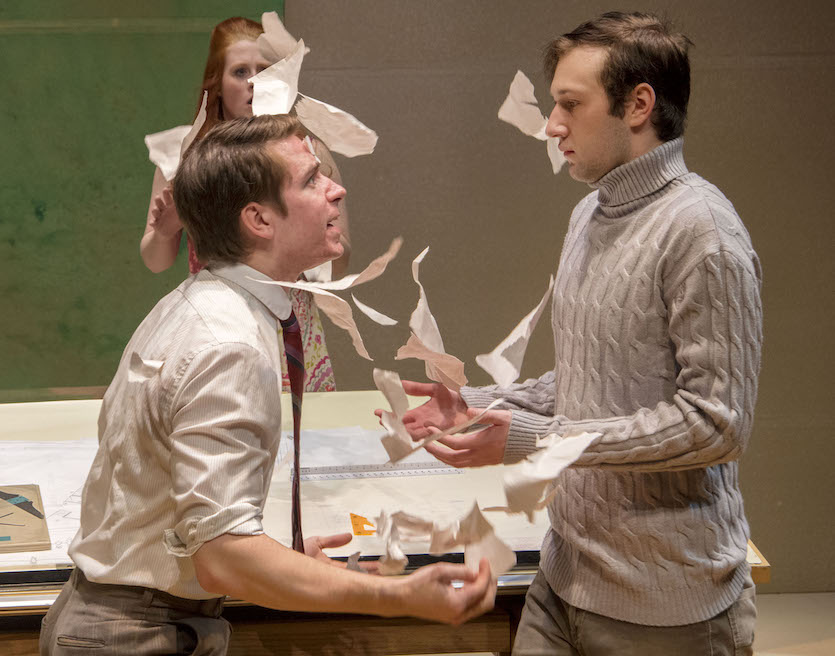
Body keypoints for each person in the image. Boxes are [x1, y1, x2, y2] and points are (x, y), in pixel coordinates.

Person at [40, 115, 496, 655]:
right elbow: (223, 557)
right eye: (311, 180)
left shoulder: (205, 305)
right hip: (135, 634)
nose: (336, 189)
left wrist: (284, 564)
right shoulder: (227, 344)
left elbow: (196, 522)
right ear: (258, 219)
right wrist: (397, 595)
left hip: (129, 617)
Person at [393, 12, 762, 655]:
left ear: (639, 105)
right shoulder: (590, 211)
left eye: (570, 104)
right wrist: (480, 405)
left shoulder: (703, 233)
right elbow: (596, 381)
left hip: (667, 607)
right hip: (565, 578)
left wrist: (537, 441)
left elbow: (716, 424)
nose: (551, 124)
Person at [141, 16, 347, 392]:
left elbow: (341, 260)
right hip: (216, 321)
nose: (255, 82)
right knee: (225, 415)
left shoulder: (309, 152)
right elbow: (155, 261)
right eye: (240, 72)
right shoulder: (183, 157)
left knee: (301, 426)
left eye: (265, 71)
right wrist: (166, 228)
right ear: (216, 84)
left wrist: (312, 237)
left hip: (291, 320)